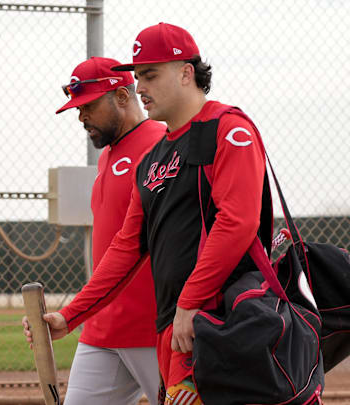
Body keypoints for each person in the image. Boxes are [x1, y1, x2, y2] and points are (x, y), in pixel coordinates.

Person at [24, 23, 270, 405]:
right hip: (168, 327)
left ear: (187, 72)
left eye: (150, 75)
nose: (141, 86)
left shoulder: (229, 129)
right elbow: (126, 248)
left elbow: (237, 223)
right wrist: (70, 316)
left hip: (218, 324)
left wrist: (189, 303)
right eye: (138, 75)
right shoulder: (153, 159)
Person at [46, 57, 165, 405]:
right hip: (102, 327)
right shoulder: (108, 155)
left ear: (123, 97)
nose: (81, 117)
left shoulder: (160, 144)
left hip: (152, 327)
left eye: (88, 106)